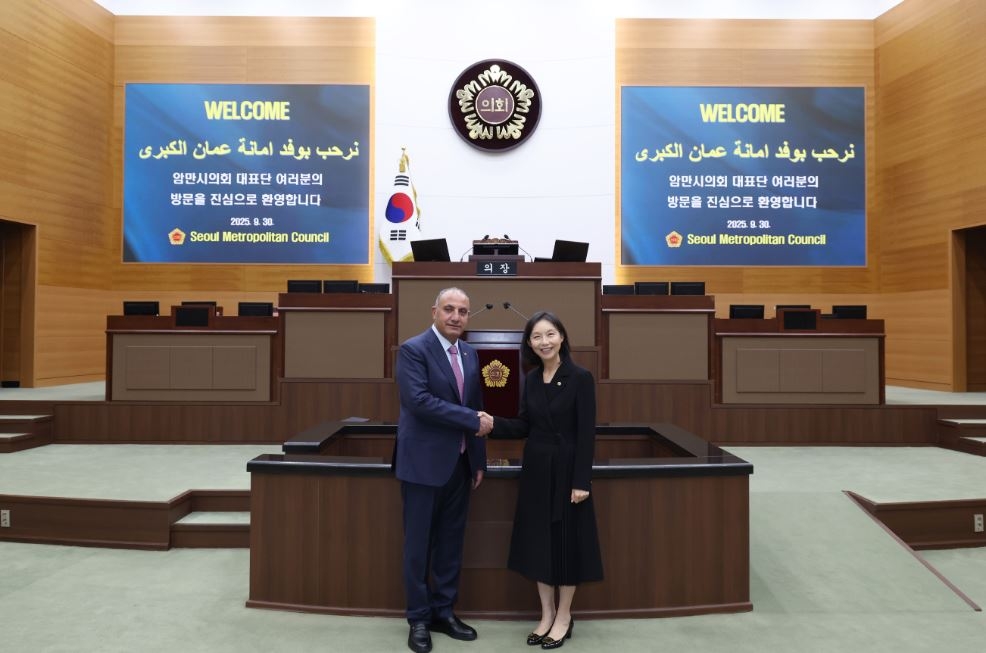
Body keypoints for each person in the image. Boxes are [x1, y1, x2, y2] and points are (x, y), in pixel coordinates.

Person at [481, 310, 602, 650]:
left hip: (567, 472)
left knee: (565, 546)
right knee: (539, 545)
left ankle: (564, 616)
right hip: (536, 470)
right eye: (537, 336)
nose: (544, 341)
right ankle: (546, 614)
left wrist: (581, 481)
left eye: (550, 334)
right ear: (530, 344)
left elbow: (586, 434)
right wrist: (492, 424)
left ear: (562, 337)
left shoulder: (580, 377)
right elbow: (525, 425)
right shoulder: (532, 379)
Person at [394, 287, 493, 653]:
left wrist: (477, 459)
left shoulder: (469, 353)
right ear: (434, 311)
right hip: (422, 466)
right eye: (449, 309)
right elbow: (418, 401)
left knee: (451, 544)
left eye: (463, 311)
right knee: (418, 547)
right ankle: (419, 618)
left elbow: (476, 404)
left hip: (459, 466)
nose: (456, 317)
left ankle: (444, 612)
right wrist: (472, 420)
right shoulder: (413, 350)